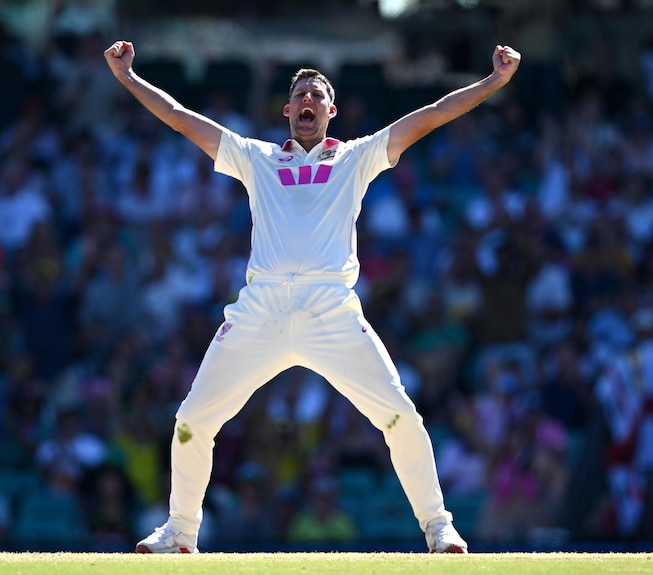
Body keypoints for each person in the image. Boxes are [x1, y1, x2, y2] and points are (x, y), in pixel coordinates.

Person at [103, 38, 521, 554]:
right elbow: (181, 117)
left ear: (331, 110)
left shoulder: (356, 156)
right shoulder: (255, 158)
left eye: (317, 95)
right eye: (300, 93)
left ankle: (438, 528)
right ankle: (181, 532)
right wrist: (127, 77)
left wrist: (495, 82)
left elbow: (432, 115)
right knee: (192, 420)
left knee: (400, 416)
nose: (308, 100)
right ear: (287, 110)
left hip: (331, 311)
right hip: (261, 310)